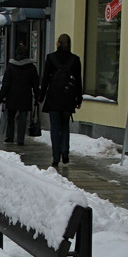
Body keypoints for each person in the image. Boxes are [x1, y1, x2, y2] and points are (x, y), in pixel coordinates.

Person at [39, 33, 83, 166]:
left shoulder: (51, 58)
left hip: (54, 98)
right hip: (68, 99)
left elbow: (45, 79)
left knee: (55, 128)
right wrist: (79, 99)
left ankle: (55, 157)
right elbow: (78, 81)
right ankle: (65, 151)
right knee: (65, 125)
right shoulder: (75, 59)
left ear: (57, 43)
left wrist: (41, 96)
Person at [0, 42, 40, 145]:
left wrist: (2, 95)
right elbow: (35, 83)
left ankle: (10, 136)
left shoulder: (11, 67)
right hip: (26, 96)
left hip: (12, 95)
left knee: (11, 116)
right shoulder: (31, 67)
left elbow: (6, 83)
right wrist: (37, 96)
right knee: (23, 117)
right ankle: (20, 139)